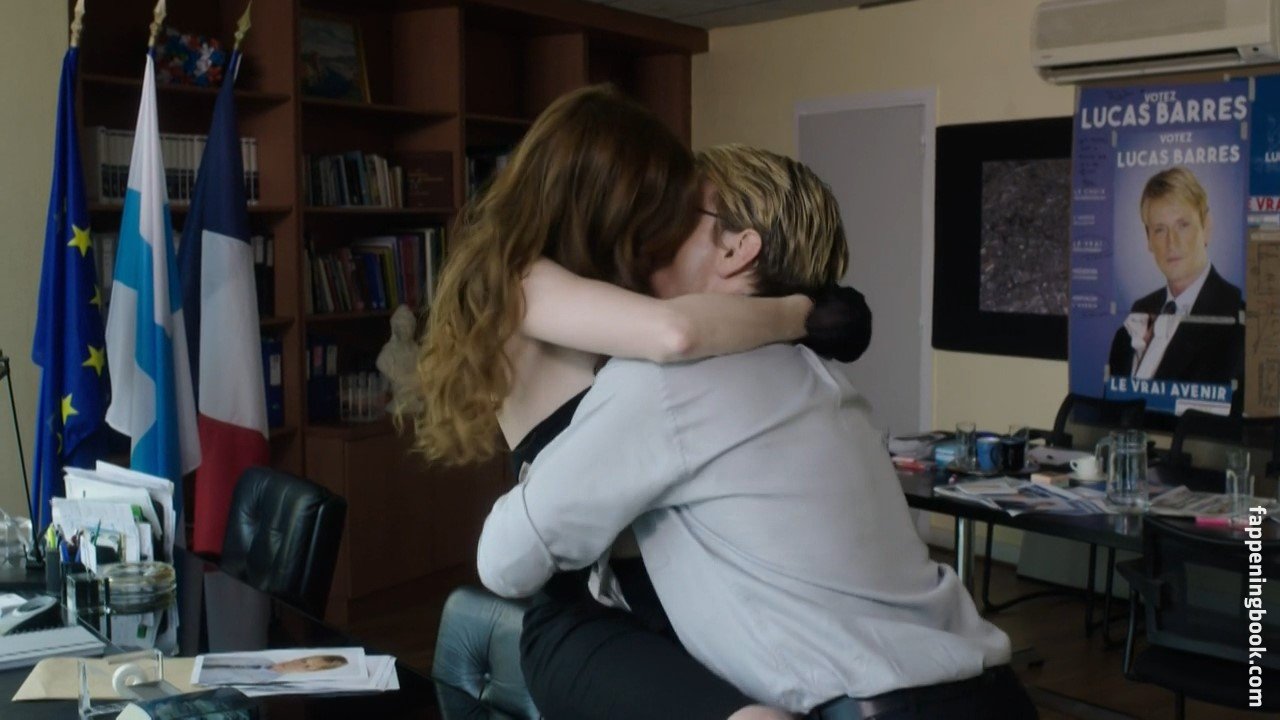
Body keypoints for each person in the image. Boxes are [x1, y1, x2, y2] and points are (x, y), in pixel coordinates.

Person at [477, 144, 1034, 718]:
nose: (646, 227)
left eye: (672, 211)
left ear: (737, 249)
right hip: (992, 694)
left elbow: (504, 561)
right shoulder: (818, 372)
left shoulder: (666, 384)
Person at [414, 86, 871, 720]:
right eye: (658, 208)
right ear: (607, 197)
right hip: (587, 601)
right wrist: (802, 314)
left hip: (660, 584)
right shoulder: (521, 279)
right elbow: (676, 333)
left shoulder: (591, 285)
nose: (665, 229)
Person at [1107, 166, 1243, 385]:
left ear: (1206, 226)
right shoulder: (1138, 312)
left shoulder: (1238, 319)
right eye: (1160, 230)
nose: (1172, 242)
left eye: (1183, 225)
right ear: (1149, 239)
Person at [197, 653, 348, 685]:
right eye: (304, 660)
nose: (297, 664)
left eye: (306, 667)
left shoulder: (264, 682)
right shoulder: (262, 659)